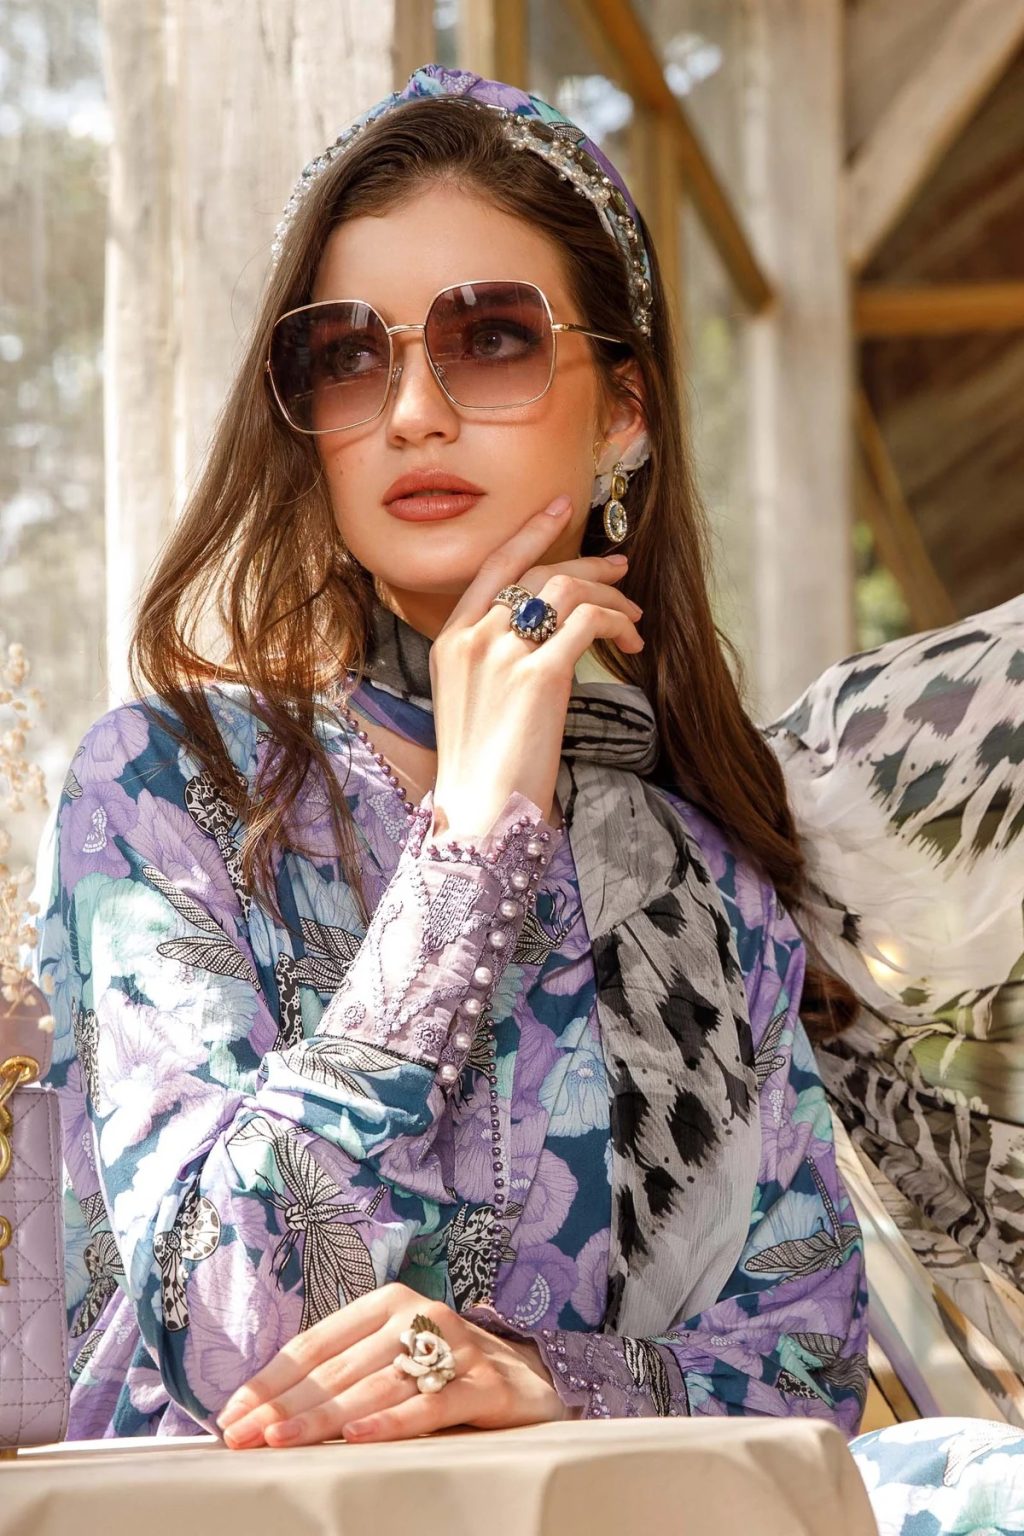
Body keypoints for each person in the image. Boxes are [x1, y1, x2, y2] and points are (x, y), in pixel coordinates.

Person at [31, 65, 868, 1449]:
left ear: (625, 410)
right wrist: (471, 846)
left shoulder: (695, 883)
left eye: (490, 339)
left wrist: (543, 1382)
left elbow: (807, 1369)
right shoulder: (165, 789)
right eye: (348, 355)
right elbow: (228, 1332)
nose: (412, 409)